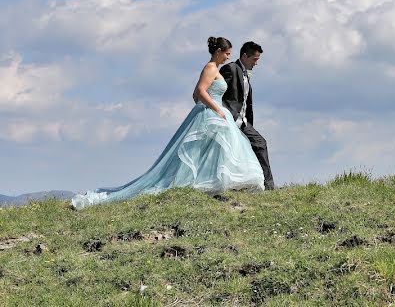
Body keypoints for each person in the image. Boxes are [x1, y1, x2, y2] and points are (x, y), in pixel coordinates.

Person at [71, 37, 264, 210]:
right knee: (203, 151)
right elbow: (200, 91)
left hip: (214, 113)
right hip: (214, 113)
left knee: (214, 150)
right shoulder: (210, 68)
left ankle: (213, 184)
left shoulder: (214, 69)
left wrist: (209, 108)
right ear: (218, 52)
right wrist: (216, 108)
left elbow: (195, 96)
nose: (227, 58)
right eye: (226, 54)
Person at [219, 41, 275, 190]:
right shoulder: (230, 69)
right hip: (230, 120)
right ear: (245, 56)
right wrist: (223, 114)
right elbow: (218, 91)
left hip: (243, 122)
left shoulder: (245, 73)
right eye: (254, 59)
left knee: (260, 144)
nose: (256, 64)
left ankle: (267, 185)